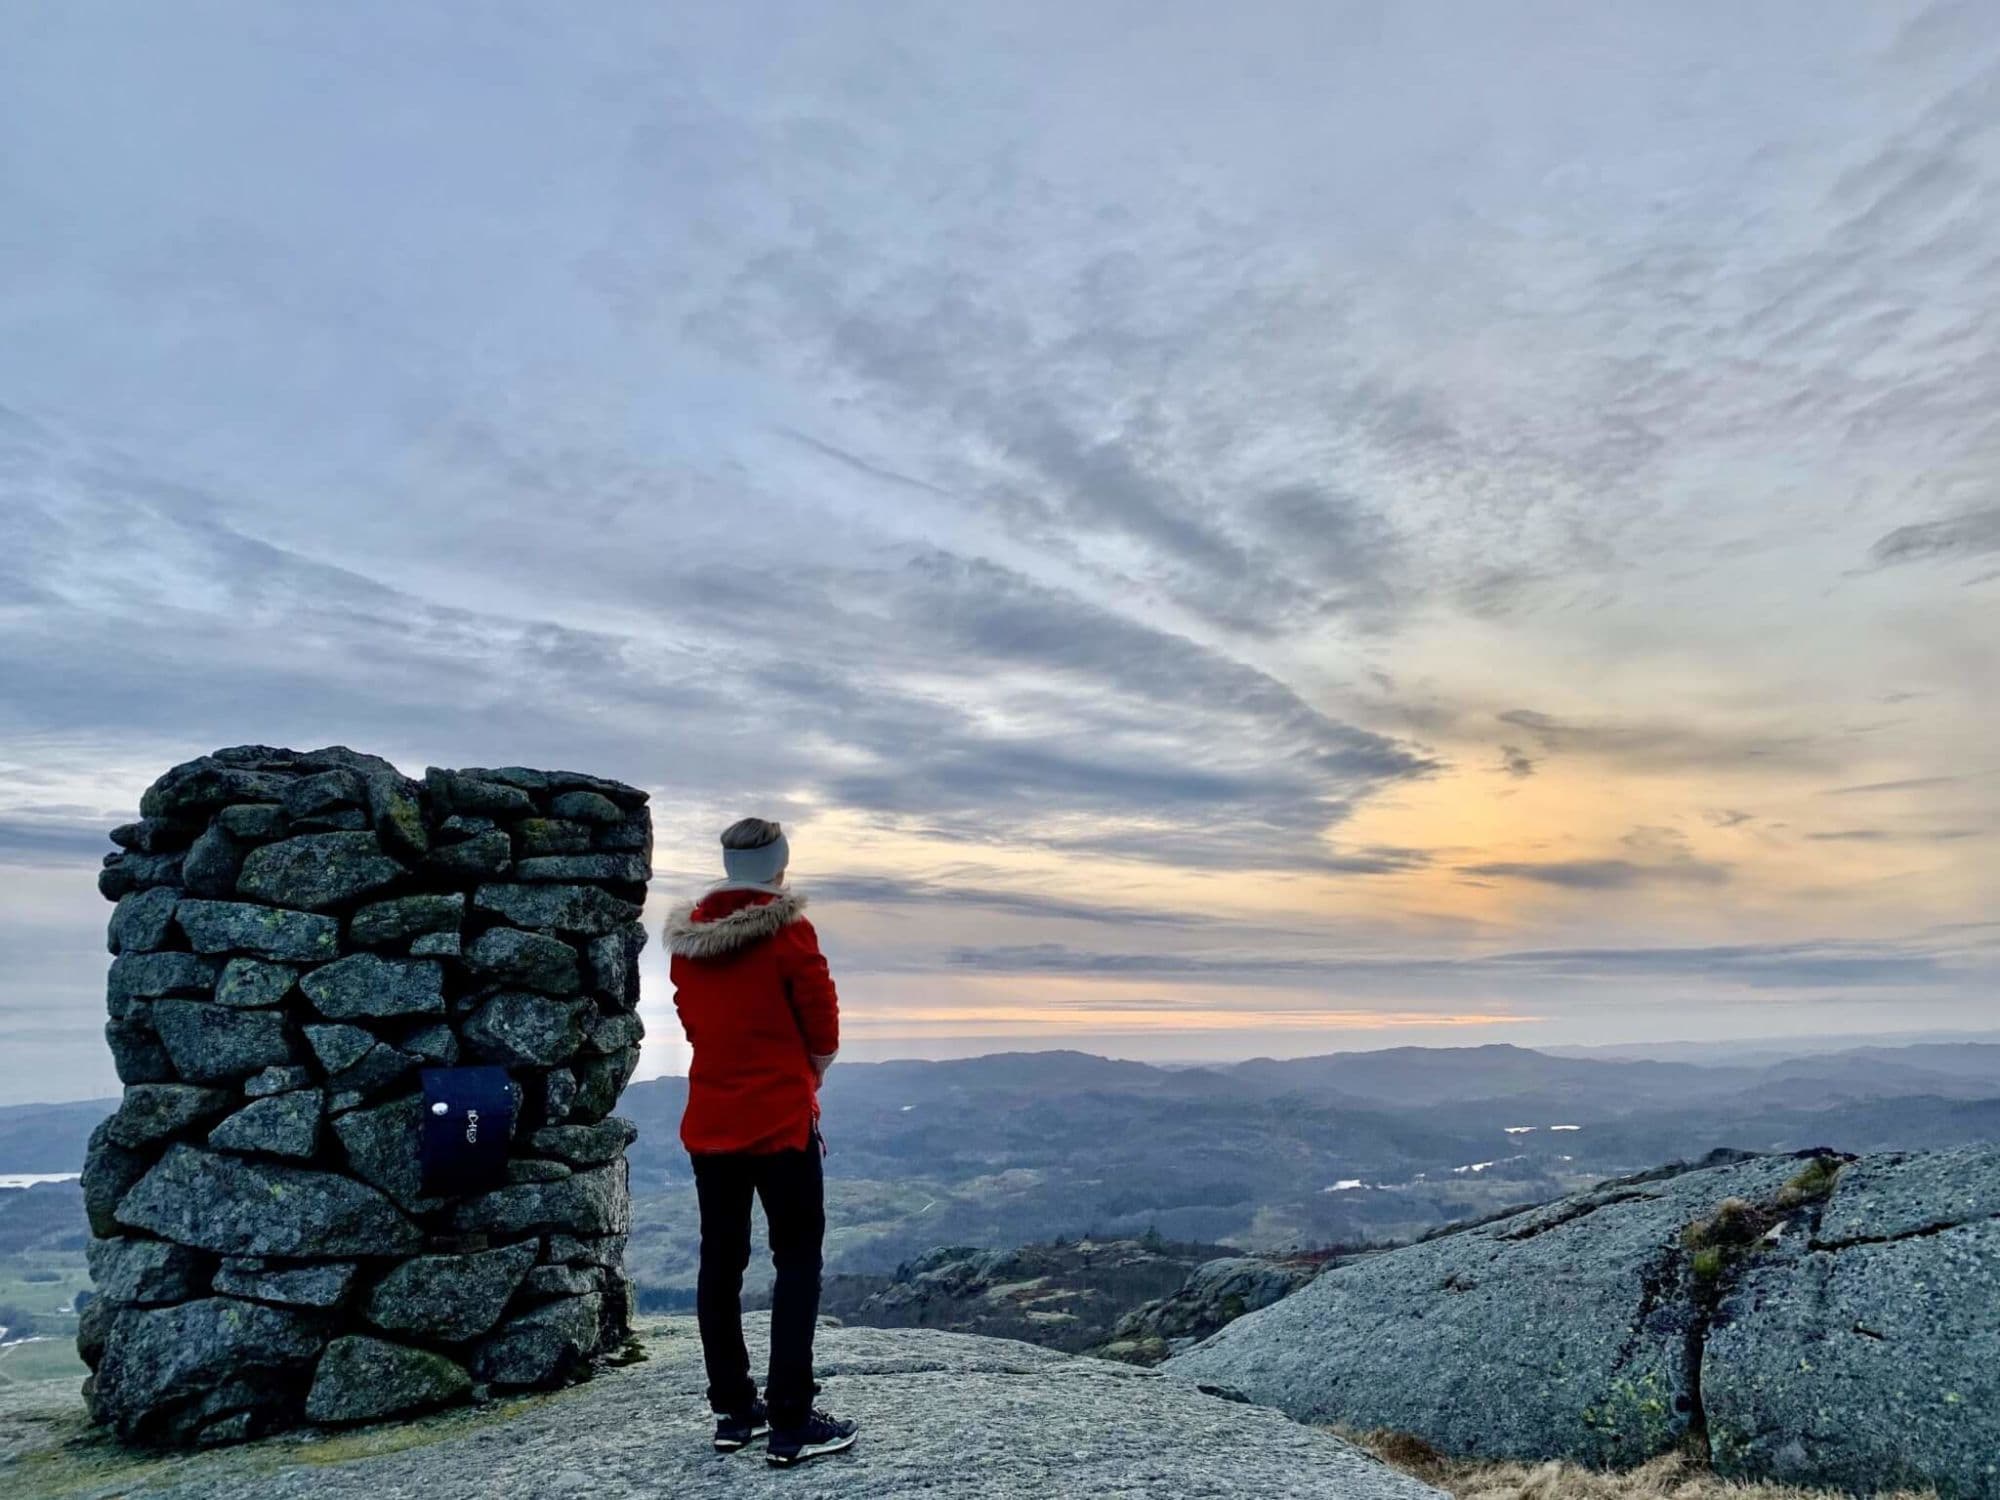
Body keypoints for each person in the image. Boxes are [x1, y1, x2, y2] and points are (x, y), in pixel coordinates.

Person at [665, 816, 859, 1467]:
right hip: (779, 1124)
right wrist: (806, 1074)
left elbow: (694, 1022)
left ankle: (733, 1410)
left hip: (710, 1123)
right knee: (797, 1259)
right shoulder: (789, 932)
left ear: (728, 866)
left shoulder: (689, 940)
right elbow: (824, 1025)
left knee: (720, 1263)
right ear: (780, 867)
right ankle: (790, 1419)